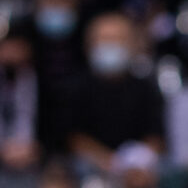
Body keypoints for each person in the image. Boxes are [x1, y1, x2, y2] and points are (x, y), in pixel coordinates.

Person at [65, 13, 164, 174]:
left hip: (137, 168)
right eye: (104, 39)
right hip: (89, 165)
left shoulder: (146, 88)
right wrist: (108, 162)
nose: (110, 45)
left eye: (117, 39)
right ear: (88, 45)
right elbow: (72, 137)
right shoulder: (74, 88)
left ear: (133, 45)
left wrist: (138, 162)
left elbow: (155, 136)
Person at [31, 0, 84, 153]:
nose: (56, 8)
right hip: (34, 136)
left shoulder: (86, 43)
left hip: (77, 133)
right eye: (50, 2)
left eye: (62, 2)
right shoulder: (26, 45)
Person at [0, 24, 39, 173]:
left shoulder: (44, 82)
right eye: (4, 47)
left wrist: (36, 149)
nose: (10, 54)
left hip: (36, 158)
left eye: (15, 47)